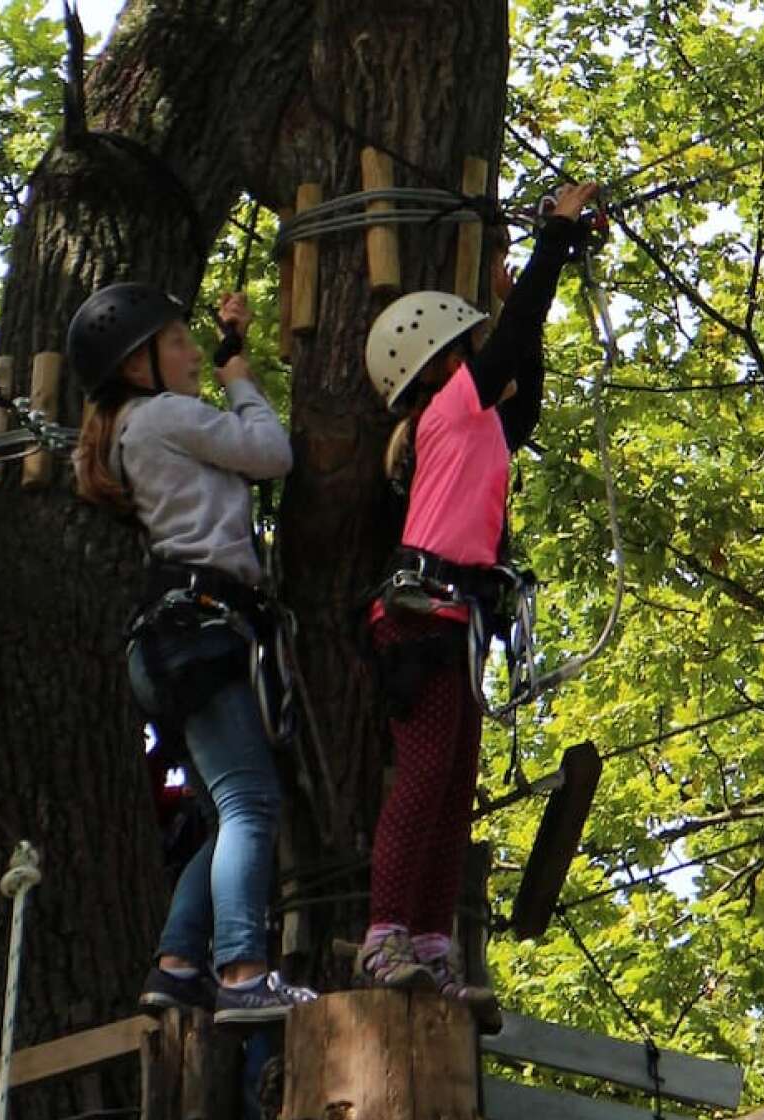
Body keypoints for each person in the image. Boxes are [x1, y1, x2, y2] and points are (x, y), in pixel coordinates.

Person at [357, 183, 601, 1031]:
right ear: (438, 362)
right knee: (423, 783)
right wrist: (555, 237)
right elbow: (514, 345)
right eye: (469, 345)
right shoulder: (446, 412)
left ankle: (428, 942)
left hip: (457, 620)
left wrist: (519, 294)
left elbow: (522, 384)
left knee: (453, 789)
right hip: (423, 619)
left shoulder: (481, 422)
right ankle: (385, 935)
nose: (482, 357)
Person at [70, 281, 318, 1024]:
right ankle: (241, 971)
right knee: (252, 802)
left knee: (223, 810)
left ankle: (179, 964)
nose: (189, 354)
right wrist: (239, 379)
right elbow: (272, 454)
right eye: (176, 343)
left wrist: (229, 347)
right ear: (138, 363)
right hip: (200, 633)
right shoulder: (167, 416)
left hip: (169, 643)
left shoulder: (132, 428)